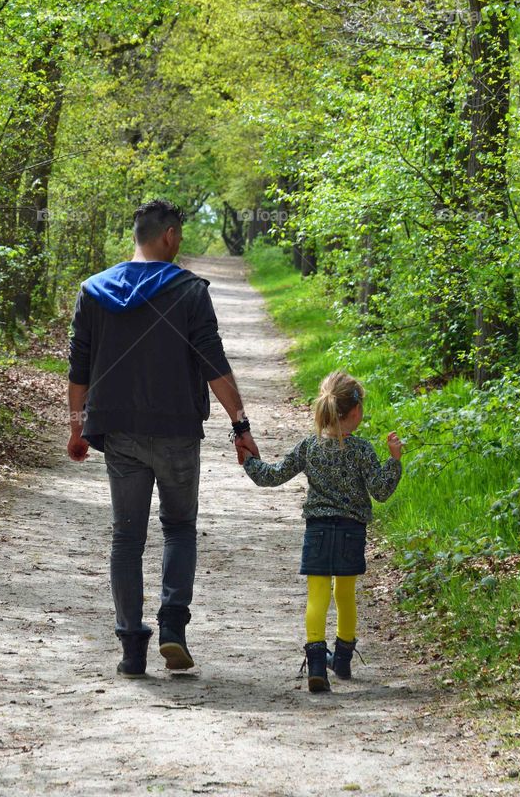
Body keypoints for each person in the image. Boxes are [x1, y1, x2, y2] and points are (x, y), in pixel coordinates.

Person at [66, 198, 259, 677]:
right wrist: (241, 426)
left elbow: (79, 365)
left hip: (119, 433)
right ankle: (173, 626)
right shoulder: (190, 291)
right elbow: (214, 364)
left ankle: (132, 647)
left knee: (126, 539)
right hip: (175, 432)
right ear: (170, 235)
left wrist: (76, 426)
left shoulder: (93, 291)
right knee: (178, 528)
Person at [240, 370, 403, 692]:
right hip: (351, 533)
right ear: (355, 412)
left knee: (317, 596)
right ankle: (341, 659)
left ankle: (316, 663)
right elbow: (381, 491)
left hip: (316, 531)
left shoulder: (309, 447)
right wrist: (394, 461)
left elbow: (271, 476)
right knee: (345, 595)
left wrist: (248, 461)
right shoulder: (362, 450)